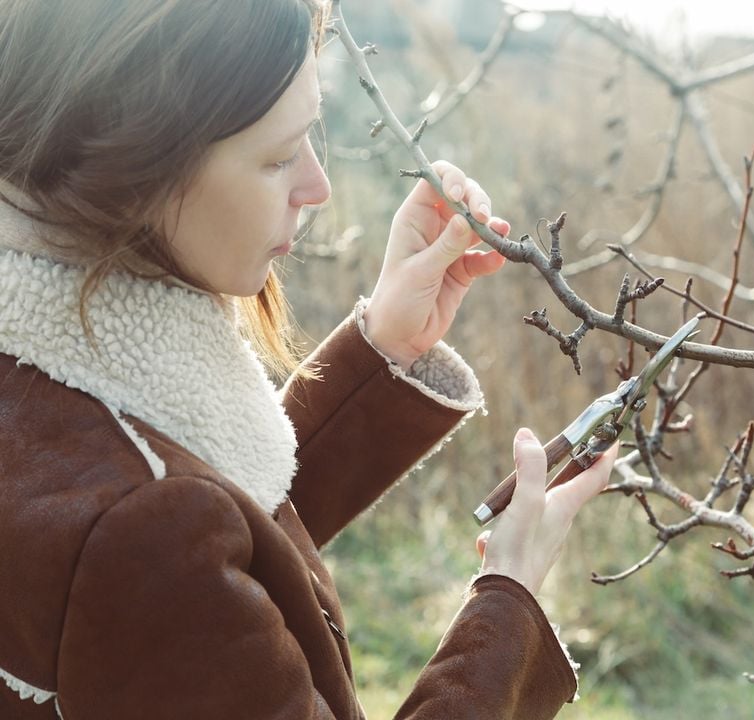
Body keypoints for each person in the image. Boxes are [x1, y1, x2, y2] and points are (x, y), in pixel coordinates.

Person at [0, 1, 617, 718]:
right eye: (277, 155)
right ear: (137, 161)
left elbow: (217, 559)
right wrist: (510, 601)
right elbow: (171, 553)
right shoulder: (140, 529)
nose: (317, 187)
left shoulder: (55, 389)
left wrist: (385, 347)